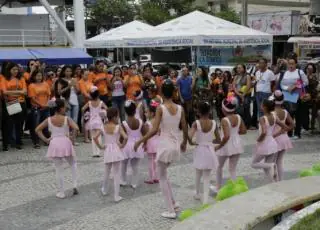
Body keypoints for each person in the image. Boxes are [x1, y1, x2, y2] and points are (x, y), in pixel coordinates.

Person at [134, 79, 189, 219]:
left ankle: (170, 210)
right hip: (175, 144)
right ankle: (174, 203)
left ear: (161, 93)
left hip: (165, 146)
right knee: (164, 175)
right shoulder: (180, 108)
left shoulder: (160, 108)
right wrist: (184, 142)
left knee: (162, 177)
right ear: (174, 92)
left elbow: (154, 130)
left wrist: (140, 140)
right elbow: (184, 125)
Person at [35, 98, 79, 199]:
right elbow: (76, 128)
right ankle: (75, 184)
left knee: (59, 169)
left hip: (54, 143)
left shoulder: (49, 119)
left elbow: (37, 129)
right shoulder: (66, 119)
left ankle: (61, 192)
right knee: (72, 163)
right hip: (65, 142)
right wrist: (72, 138)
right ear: (61, 108)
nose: (65, 108)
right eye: (64, 107)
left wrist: (46, 140)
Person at [213, 95, 247, 192]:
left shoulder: (224, 120)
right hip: (237, 144)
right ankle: (235, 188)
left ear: (224, 109)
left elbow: (226, 136)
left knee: (219, 166)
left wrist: (219, 146)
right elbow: (244, 131)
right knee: (232, 169)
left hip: (226, 145)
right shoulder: (238, 117)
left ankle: (218, 187)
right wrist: (235, 133)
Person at [188, 101, 220, 204]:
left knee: (198, 172)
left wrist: (193, 142)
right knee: (207, 176)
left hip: (200, 149)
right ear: (209, 111)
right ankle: (205, 199)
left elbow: (189, 137)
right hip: (210, 150)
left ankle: (197, 193)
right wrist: (210, 142)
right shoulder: (214, 123)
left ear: (198, 111)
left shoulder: (196, 123)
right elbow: (219, 139)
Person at [94, 108, 128, 202]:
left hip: (108, 150)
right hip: (116, 150)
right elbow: (125, 137)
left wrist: (100, 147)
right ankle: (116, 196)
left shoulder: (103, 126)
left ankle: (104, 190)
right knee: (117, 174)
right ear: (114, 117)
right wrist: (122, 145)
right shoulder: (118, 127)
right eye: (117, 116)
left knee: (107, 171)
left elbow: (94, 137)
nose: (118, 118)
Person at [251, 99, 288, 182]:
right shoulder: (274, 116)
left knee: (254, 164)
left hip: (265, 143)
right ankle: (273, 183)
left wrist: (258, 140)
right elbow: (284, 127)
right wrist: (276, 134)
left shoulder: (262, 118)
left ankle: (272, 165)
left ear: (264, 107)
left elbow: (264, 132)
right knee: (266, 168)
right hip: (273, 143)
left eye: (261, 104)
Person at [277, 58, 308, 139]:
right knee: (288, 115)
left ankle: (297, 133)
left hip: (298, 96)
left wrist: (295, 86)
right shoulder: (285, 73)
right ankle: (289, 133)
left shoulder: (299, 72)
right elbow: (281, 84)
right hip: (287, 96)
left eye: (292, 63)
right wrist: (287, 88)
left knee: (298, 115)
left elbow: (305, 82)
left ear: (296, 64)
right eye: (289, 64)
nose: (291, 65)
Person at [1, 62, 27, 151]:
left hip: (21, 103)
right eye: (13, 69)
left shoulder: (21, 78)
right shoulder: (4, 79)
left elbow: (25, 91)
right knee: (8, 124)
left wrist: (11, 92)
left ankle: (18, 142)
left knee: (19, 124)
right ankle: (8, 143)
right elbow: (4, 92)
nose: (15, 71)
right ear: (9, 70)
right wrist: (19, 92)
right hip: (10, 103)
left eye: (16, 69)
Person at [121, 100, 145, 188]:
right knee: (135, 165)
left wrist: (120, 145)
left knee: (123, 163)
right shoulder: (140, 122)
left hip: (127, 145)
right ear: (135, 111)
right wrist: (144, 143)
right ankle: (134, 183)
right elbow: (144, 134)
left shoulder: (124, 123)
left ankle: (123, 180)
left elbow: (121, 137)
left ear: (125, 112)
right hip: (137, 145)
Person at [273, 90, 294, 181]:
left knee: (272, 161)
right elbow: (292, 124)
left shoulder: (272, 113)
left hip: (274, 138)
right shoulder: (285, 112)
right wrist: (284, 130)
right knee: (280, 161)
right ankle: (281, 181)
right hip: (284, 138)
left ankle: (274, 180)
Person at [28, 70, 51, 148]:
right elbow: (32, 98)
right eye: (37, 75)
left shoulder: (45, 84)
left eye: (40, 76)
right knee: (36, 125)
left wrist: (46, 103)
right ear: (34, 76)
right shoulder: (31, 85)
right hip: (36, 108)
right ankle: (36, 142)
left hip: (46, 107)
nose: (39, 77)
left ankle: (46, 140)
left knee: (46, 125)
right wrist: (41, 105)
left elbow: (48, 95)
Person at [82, 86, 107, 157]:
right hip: (99, 120)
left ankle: (94, 152)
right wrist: (103, 113)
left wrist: (87, 115)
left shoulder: (89, 102)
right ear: (98, 94)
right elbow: (107, 109)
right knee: (98, 136)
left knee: (93, 137)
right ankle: (98, 152)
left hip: (92, 121)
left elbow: (82, 109)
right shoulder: (101, 102)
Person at [142, 99, 161, 184]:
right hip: (158, 143)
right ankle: (157, 177)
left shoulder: (147, 123)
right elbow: (160, 132)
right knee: (156, 161)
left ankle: (151, 178)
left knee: (150, 161)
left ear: (152, 113)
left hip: (150, 143)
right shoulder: (158, 122)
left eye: (147, 112)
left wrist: (144, 144)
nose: (145, 114)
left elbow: (146, 136)